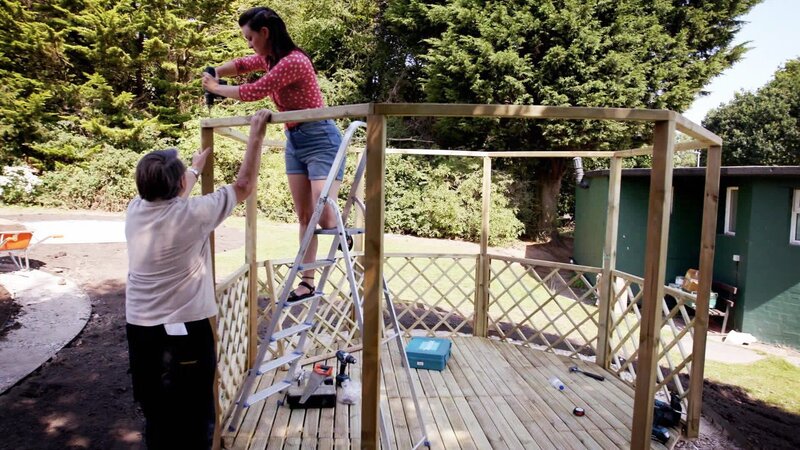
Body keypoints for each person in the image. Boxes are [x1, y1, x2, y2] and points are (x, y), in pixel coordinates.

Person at [125, 109, 270, 449]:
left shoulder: (135, 210)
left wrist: (192, 169)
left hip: (141, 331)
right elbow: (244, 186)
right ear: (177, 186)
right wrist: (256, 135)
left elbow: (173, 193)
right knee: (193, 415)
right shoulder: (192, 214)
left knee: (156, 411)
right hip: (185, 333)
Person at [202, 6, 347, 302]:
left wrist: (216, 88)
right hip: (295, 139)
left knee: (325, 217)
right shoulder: (270, 59)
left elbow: (256, 90)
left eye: (250, 37)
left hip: (321, 138)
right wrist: (215, 71)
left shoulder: (293, 61)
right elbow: (243, 65)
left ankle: (345, 228)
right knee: (305, 215)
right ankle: (308, 282)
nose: (249, 43)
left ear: (265, 33)